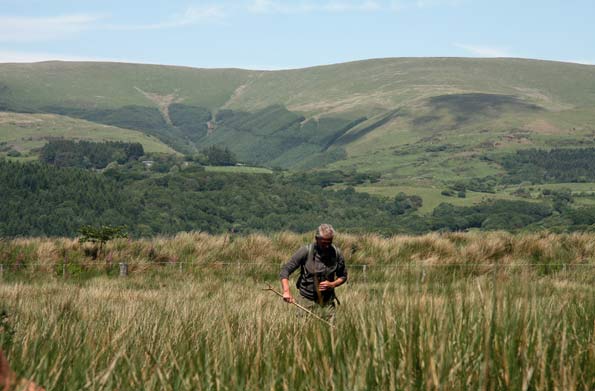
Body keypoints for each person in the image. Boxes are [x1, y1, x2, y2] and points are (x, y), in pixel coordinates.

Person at [279, 224, 348, 314]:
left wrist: (332, 284)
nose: (327, 246)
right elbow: (285, 271)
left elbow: (343, 276)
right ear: (316, 239)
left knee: (330, 328)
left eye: (329, 242)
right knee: (303, 327)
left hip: (328, 302)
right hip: (306, 301)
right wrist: (286, 291)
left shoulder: (336, 253)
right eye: (324, 243)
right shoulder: (305, 251)